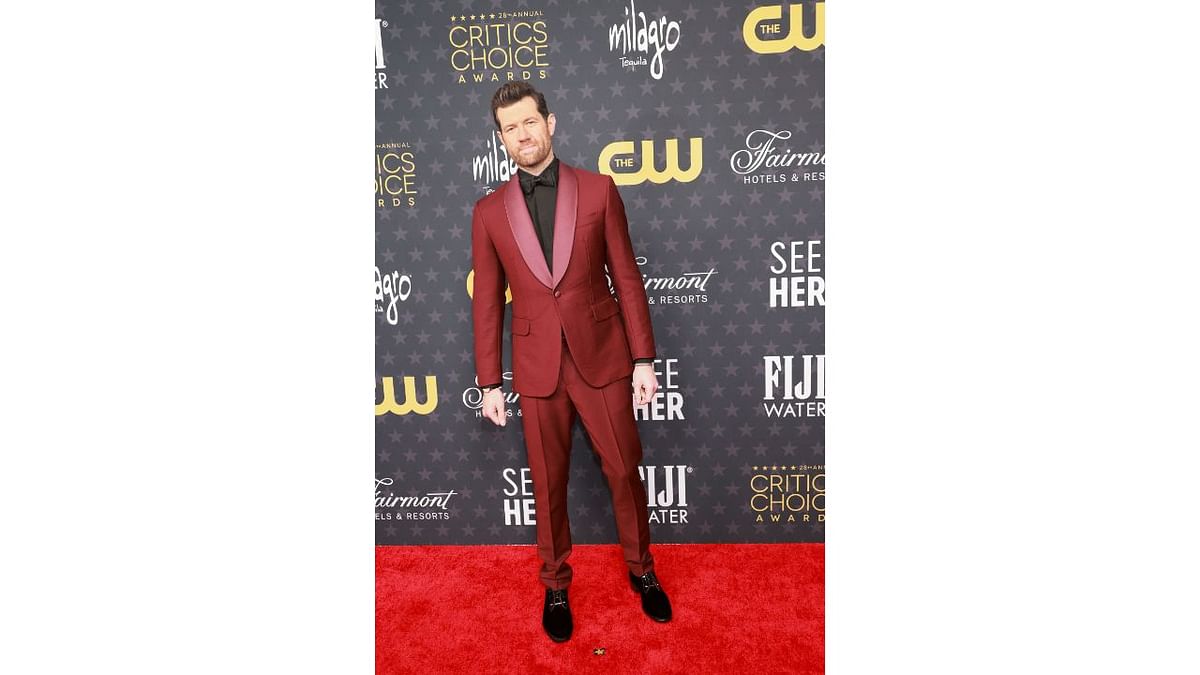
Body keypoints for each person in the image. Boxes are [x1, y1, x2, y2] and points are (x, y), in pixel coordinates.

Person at [471, 81, 672, 642]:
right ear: (502, 139)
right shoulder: (489, 212)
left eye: (529, 122)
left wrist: (643, 360)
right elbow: (486, 301)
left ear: (551, 123)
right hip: (536, 367)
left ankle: (643, 571)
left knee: (624, 469)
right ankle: (556, 582)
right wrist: (489, 381)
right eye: (510, 129)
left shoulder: (599, 189)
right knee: (547, 482)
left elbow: (626, 279)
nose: (522, 135)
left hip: (603, 356)